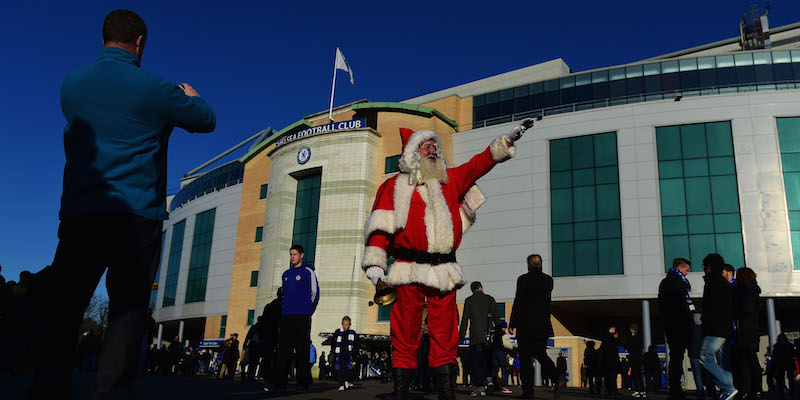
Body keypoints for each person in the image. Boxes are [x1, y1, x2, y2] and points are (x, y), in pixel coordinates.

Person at [27, 9, 215, 399]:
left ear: (103, 38)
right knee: (127, 312)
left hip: (82, 212)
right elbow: (206, 120)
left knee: (65, 308)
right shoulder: (156, 89)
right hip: (136, 216)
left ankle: (47, 389)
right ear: (140, 42)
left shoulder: (72, 86)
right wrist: (191, 97)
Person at [361, 119, 534, 400]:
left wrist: (508, 139)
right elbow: (380, 225)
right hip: (407, 269)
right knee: (405, 329)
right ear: (411, 153)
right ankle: (401, 389)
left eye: (434, 146)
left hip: (444, 269)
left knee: (445, 331)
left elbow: (479, 164)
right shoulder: (393, 186)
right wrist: (375, 262)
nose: (432, 150)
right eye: (425, 146)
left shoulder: (450, 180)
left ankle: (445, 389)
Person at [509, 254, 559, 400]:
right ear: (541, 264)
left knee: (525, 360)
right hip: (542, 325)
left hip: (525, 325)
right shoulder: (548, 281)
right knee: (541, 354)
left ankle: (528, 392)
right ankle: (556, 376)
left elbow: (518, 301)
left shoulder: (523, 280)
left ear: (528, 265)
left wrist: (513, 322)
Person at [274, 244, 320, 392]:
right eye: (290, 254)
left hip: (302, 316)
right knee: (283, 351)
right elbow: (284, 295)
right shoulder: (286, 274)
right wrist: (284, 309)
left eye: (295, 254)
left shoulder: (308, 272)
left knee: (302, 350)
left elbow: (315, 293)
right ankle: (280, 383)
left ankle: (302, 384)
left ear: (301, 255)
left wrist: (307, 311)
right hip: (287, 316)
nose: (292, 257)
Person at [699, 254, 737, 400]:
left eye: (705, 266)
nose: (704, 269)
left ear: (710, 266)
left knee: (705, 356)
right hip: (724, 327)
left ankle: (728, 388)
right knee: (723, 363)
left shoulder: (713, 281)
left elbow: (713, 306)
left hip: (716, 327)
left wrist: (704, 320)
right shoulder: (722, 282)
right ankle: (729, 392)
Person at [658, 257, 695, 400]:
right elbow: (679, 304)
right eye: (686, 270)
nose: (687, 273)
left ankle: (675, 388)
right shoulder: (677, 283)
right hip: (678, 324)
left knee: (676, 356)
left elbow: (662, 304)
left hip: (673, 324)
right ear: (680, 268)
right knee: (677, 357)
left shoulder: (667, 282)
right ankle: (675, 388)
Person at [459, 281, 501, 397]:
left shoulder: (469, 300)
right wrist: (499, 335)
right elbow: (497, 318)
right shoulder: (489, 299)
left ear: (472, 289)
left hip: (475, 337)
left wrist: (461, 336)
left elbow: (464, 320)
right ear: (481, 287)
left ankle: (479, 387)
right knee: (488, 361)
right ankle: (489, 381)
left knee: (476, 363)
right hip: (489, 337)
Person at [731, 267, 761, 400]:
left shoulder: (744, 290)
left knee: (746, 362)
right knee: (750, 361)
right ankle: (754, 390)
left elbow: (746, 309)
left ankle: (748, 390)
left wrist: (734, 314)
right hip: (751, 329)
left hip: (745, 330)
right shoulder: (753, 289)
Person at [260, 287, 282, 389]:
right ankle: (275, 380)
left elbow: (263, 323)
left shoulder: (269, 306)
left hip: (269, 336)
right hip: (279, 336)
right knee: (279, 358)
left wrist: (262, 336)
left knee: (267, 358)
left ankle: (267, 379)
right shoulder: (285, 306)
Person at [331, 316, 358, 391]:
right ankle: (341, 384)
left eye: (346, 325)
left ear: (350, 325)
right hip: (340, 354)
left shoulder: (353, 333)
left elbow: (355, 345)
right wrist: (333, 351)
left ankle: (346, 380)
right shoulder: (338, 332)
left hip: (349, 355)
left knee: (348, 369)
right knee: (340, 370)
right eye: (343, 325)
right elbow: (333, 342)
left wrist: (354, 354)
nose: (345, 326)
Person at [772, 333, 796, 400]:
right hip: (786, 364)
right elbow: (793, 354)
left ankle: (784, 393)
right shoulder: (789, 345)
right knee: (788, 379)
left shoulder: (777, 346)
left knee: (783, 380)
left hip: (782, 365)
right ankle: (789, 392)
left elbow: (774, 357)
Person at [600, 325, 620, 397]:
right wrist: (615, 338)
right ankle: (613, 390)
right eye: (613, 328)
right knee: (612, 376)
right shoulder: (610, 337)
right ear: (610, 329)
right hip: (611, 361)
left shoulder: (606, 338)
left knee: (609, 376)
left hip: (607, 361)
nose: (614, 329)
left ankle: (610, 390)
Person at [627, 323, 646, 398]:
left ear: (631, 329)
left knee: (634, 375)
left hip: (633, 358)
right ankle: (642, 390)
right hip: (639, 358)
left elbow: (627, 346)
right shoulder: (640, 337)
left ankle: (637, 390)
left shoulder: (631, 338)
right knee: (640, 375)